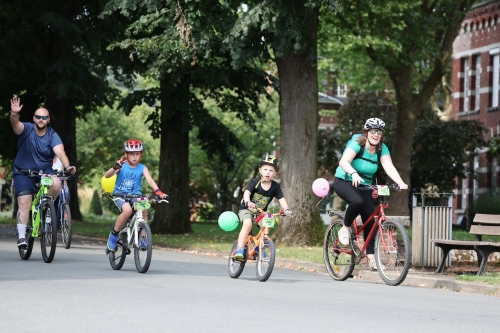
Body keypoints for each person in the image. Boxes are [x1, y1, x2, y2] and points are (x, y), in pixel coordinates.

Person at [333, 118, 408, 271]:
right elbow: (343, 162)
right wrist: (353, 173)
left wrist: (400, 182)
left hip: (365, 184)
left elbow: (388, 165)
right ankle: (345, 228)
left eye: (379, 132)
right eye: (373, 131)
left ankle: (371, 257)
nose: (376, 134)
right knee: (358, 201)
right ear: (366, 132)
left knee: (370, 219)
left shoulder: (382, 148)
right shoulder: (358, 144)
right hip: (345, 180)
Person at [9, 97, 76, 248]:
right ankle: (21, 237)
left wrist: (67, 167)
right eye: (38, 117)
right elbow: (15, 125)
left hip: (44, 171)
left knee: (57, 182)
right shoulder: (26, 128)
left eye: (44, 117)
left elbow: (61, 152)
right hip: (23, 171)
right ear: (34, 118)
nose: (41, 119)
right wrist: (14, 114)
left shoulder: (52, 134)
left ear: (48, 120)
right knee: (24, 203)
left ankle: (46, 209)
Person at [104, 139, 167, 252]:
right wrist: (114, 168)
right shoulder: (121, 165)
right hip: (120, 195)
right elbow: (107, 176)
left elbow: (150, 180)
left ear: (141, 155)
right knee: (127, 211)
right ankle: (113, 236)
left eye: (137, 154)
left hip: (135, 195)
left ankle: (143, 238)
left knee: (144, 209)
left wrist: (158, 191)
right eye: (132, 154)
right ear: (126, 154)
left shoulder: (142, 168)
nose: (134, 157)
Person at [233, 155, 292, 260]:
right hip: (246, 209)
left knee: (266, 226)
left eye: (271, 170)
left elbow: (281, 198)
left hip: (261, 212)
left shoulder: (275, 186)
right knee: (247, 225)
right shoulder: (255, 182)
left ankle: (260, 249)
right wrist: (247, 201)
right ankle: (240, 249)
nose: (268, 172)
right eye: (265, 169)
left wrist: (286, 209)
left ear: (275, 173)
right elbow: (246, 193)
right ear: (260, 171)